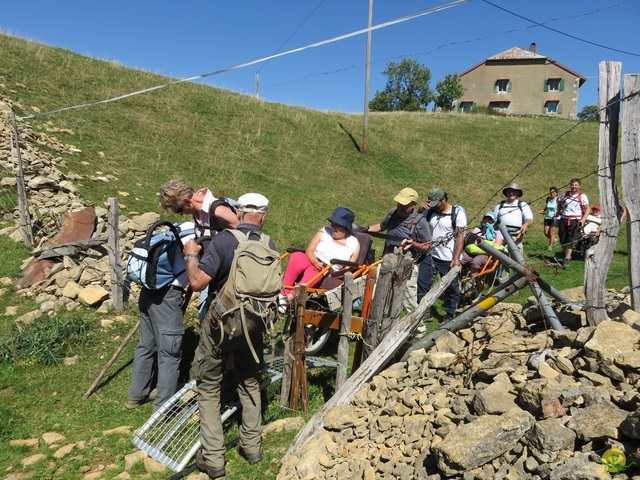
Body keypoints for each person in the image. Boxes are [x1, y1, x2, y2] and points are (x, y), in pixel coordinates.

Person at [183, 193, 272, 479]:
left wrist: (191, 256)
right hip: (255, 325)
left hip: (222, 324)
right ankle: (252, 446)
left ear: (238, 211)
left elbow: (197, 283)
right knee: (250, 381)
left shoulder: (223, 241)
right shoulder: (269, 244)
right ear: (264, 216)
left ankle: (213, 459)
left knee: (209, 385)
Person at [125, 221, 194, 412]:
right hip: (168, 295)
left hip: (148, 291)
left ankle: (136, 395)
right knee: (170, 353)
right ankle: (163, 409)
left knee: (146, 345)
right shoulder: (196, 236)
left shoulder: (179, 227)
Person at [159, 179, 240, 317]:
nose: (182, 214)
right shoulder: (198, 212)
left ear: (187, 201)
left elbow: (245, 234)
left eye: (180, 210)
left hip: (230, 279)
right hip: (212, 274)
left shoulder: (218, 210)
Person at [279, 207, 360, 311]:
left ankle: (289, 298)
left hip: (328, 270)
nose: (333, 227)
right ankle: (282, 294)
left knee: (314, 271)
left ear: (346, 228)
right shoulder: (324, 231)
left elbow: (348, 269)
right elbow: (310, 250)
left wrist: (332, 273)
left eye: (337, 225)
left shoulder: (354, 243)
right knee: (297, 255)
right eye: (332, 223)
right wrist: (316, 262)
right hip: (312, 259)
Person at [363, 188, 430, 314]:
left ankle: (418, 331)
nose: (400, 207)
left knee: (408, 301)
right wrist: (364, 229)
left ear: (413, 205)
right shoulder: (393, 212)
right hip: (387, 260)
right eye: (399, 203)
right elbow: (381, 227)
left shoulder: (420, 222)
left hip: (407, 266)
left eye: (404, 205)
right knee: (378, 292)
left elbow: (428, 246)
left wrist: (413, 244)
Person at [410, 188, 467, 322]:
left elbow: (460, 237)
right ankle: (424, 312)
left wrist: (457, 258)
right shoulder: (430, 211)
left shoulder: (457, 213)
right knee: (422, 282)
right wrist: (420, 210)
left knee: (451, 288)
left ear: (444, 199)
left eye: (437, 203)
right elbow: (415, 222)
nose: (434, 206)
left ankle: (449, 314)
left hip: (449, 258)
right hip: (431, 255)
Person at [555, 178, 590, 267]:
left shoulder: (582, 196)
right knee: (562, 239)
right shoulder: (565, 194)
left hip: (574, 220)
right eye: (572, 185)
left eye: (575, 185)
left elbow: (587, 209)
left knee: (570, 240)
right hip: (563, 218)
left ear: (579, 186)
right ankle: (565, 253)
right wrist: (557, 213)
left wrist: (583, 220)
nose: (573, 187)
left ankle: (567, 258)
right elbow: (560, 204)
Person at [493, 182, 534, 248]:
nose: (511, 193)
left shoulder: (522, 205)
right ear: (506, 193)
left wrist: (526, 224)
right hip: (501, 235)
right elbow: (493, 219)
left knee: (516, 255)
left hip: (516, 236)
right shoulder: (500, 205)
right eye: (509, 191)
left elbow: (529, 219)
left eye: (514, 191)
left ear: (517, 193)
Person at [539, 186, 559, 251]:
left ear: (556, 193)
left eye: (553, 192)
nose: (551, 193)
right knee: (546, 233)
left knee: (551, 233)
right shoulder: (548, 199)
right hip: (547, 217)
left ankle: (550, 247)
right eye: (550, 192)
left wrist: (558, 213)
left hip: (555, 218)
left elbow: (561, 208)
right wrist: (544, 210)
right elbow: (547, 207)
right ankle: (554, 240)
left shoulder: (558, 200)